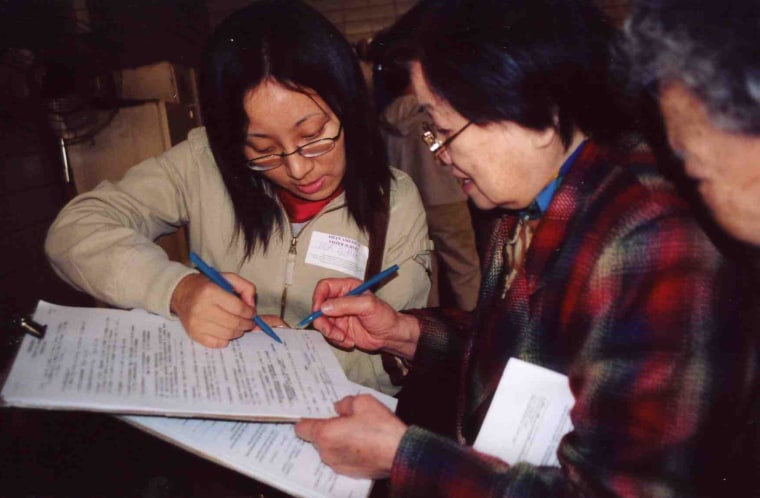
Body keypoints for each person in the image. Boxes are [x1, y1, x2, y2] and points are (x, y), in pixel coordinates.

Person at [293, 0, 756, 496]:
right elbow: (532, 343)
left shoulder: (651, 236)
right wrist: (403, 333)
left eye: (445, 131)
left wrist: (404, 456)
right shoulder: (533, 195)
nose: (441, 156)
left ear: (540, 114)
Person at [44, 0, 431, 395]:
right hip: (222, 403)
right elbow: (73, 231)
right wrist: (177, 290)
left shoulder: (395, 202)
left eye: (313, 136)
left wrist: (301, 356)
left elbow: (398, 364)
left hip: (337, 418)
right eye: (261, 148)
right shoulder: (204, 164)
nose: (298, 170)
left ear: (348, 106)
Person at [374, 35, 481, 311]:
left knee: (423, 273)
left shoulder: (385, 119)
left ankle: (428, 329)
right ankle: (477, 326)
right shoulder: (431, 112)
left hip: (411, 203)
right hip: (446, 197)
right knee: (464, 268)